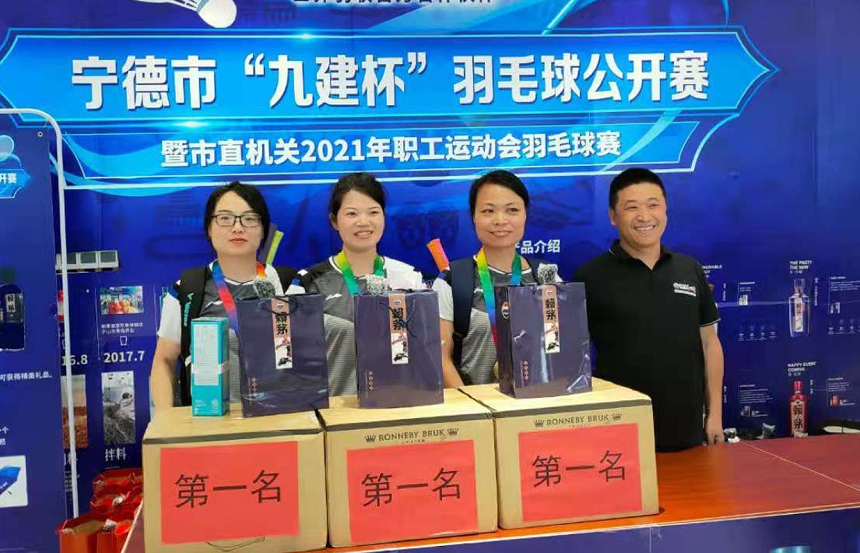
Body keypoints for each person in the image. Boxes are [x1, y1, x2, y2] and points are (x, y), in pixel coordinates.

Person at [574, 168, 724, 451]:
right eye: (631, 207)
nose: (644, 216)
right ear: (613, 216)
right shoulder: (590, 276)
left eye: (653, 205)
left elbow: (709, 343)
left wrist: (714, 414)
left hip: (687, 428)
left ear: (665, 210)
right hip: (618, 427)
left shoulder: (689, 269)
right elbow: (572, 358)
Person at [150, 182, 297, 411]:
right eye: (225, 218)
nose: (237, 228)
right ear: (209, 228)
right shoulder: (187, 290)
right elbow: (164, 361)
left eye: (249, 219)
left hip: (281, 414)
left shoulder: (290, 285)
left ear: (263, 229)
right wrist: (165, 419)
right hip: (211, 419)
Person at [294, 173, 424, 396]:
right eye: (352, 213)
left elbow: (423, 349)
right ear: (334, 221)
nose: (364, 222)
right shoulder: (306, 283)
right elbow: (296, 358)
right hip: (334, 405)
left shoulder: (410, 277)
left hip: (398, 401)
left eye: (373, 212)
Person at [433, 170, 559, 387]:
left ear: (525, 214)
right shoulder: (452, 280)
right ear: (473, 216)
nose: (500, 220)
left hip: (537, 401)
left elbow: (559, 348)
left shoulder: (547, 276)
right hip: (473, 402)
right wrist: (472, 403)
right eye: (488, 211)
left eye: (512, 210)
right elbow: (440, 357)